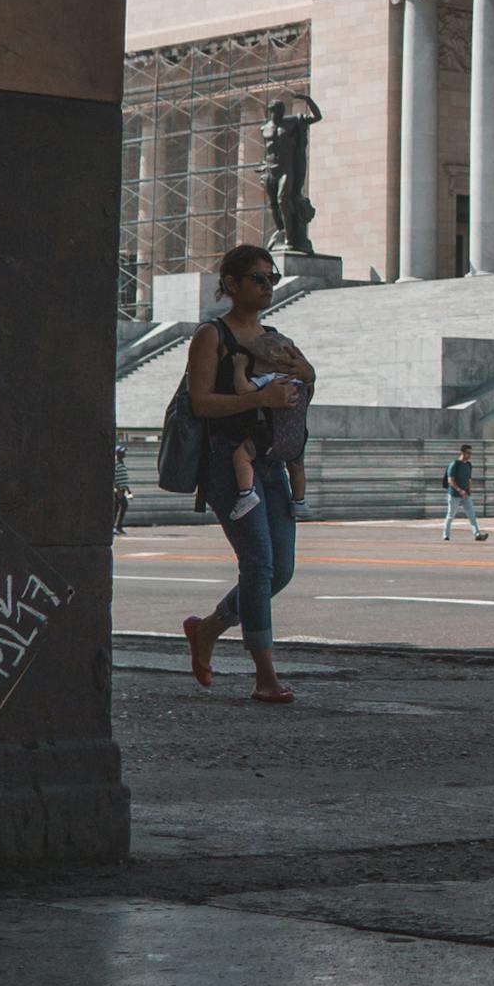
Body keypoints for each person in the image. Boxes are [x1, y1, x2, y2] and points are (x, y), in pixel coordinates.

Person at [179, 244, 315, 700]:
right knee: (257, 565)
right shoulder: (211, 336)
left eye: (272, 278)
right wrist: (258, 399)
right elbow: (201, 403)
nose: (268, 286)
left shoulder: (274, 337)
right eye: (259, 278)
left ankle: (209, 629)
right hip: (227, 461)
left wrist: (306, 373)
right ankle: (265, 674)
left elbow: (301, 387)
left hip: (273, 458)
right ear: (232, 284)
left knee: (280, 572)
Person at [442, 442, 488, 542]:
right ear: (462, 452)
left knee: (472, 515)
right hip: (454, 495)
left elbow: (469, 479)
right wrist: (460, 490)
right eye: (468, 453)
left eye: (471, 453)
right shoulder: (454, 464)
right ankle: (446, 536)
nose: (470, 455)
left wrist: (468, 491)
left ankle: (477, 534)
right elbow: (450, 480)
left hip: (465, 495)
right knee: (450, 516)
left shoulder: (468, 464)